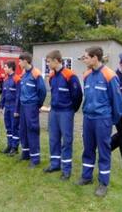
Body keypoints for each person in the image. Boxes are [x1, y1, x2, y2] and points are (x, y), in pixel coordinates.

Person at [76, 46, 122, 197]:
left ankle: (103, 183)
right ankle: (86, 176)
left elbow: (118, 102)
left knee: (104, 151)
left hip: (103, 119)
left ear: (95, 58)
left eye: (86, 57)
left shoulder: (110, 75)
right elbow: (88, 97)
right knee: (88, 149)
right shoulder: (87, 75)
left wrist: (111, 120)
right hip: (88, 118)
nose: (84, 60)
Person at [43, 50, 83, 180]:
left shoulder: (70, 75)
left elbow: (77, 95)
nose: (48, 64)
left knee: (66, 140)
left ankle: (66, 169)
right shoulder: (52, 76)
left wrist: (71, 110)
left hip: (66, 112)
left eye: (49, 62)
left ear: (56, 60)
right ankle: (55, 164)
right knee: (53, 139)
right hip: (54, 111)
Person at [18, 52, 47, 168]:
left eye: (20, 61)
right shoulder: (24, 73)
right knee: (23, 130)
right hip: (23, 105)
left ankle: (35, 158)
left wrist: (37, 105)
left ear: (25, 61)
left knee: (32, 130)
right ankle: (25, 153)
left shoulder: (36, 74)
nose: (19, 63)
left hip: (32, 106)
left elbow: (42, 91)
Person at [0, 60, 21, 156]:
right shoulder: (6, 79)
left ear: (11, 68)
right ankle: (9, 145)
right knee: (8, 127)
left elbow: (18, 96)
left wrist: (17, 109)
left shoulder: (17, 79)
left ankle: (15, 148)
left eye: (5, 67)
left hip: (13, 107)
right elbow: (3, 94)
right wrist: (1, 106)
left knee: (14, 127)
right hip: (7, 106)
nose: (4, 68)